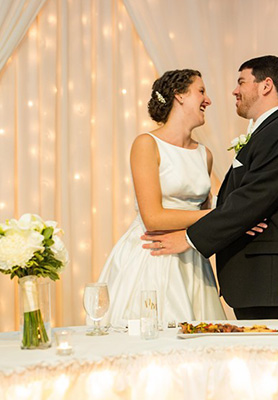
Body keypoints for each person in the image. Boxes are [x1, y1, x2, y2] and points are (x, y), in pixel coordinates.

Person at [143, 55, 278, 321]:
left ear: (265, 86)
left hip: (272, 282)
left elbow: (251, 201)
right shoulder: (270, 132)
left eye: (241, 82)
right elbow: (241, 202)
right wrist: (236, 215)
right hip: (260, 282)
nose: (234, 91)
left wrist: (189, 237)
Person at [98, 69, 227, 327]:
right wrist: (221, 215)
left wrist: (216, 219)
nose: (208, 100)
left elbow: (204, 214)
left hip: (191, 257)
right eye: (201, 91)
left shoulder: (205, 155)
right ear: (179, 95)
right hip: (152, 254)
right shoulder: (146, 144)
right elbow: (153, 218)